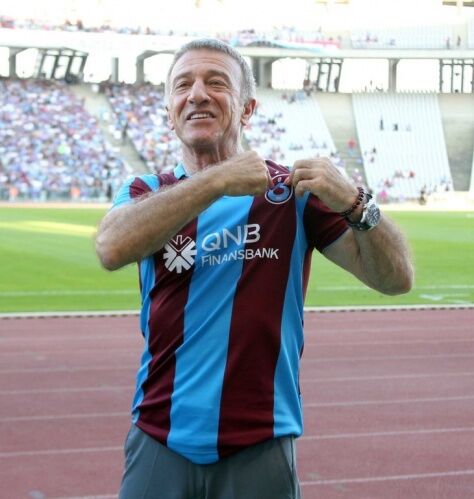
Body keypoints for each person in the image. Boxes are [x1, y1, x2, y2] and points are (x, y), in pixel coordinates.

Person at [96, 38, 413, 499]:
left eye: (216, 82)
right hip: (159, 437)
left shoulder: (291, 194)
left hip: (261, 442)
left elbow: (396, 279)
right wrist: (218, 180)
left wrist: (356, 202)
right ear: (169, 112)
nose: (197, 94)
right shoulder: (146, 191)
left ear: (247, 109)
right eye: (182, 85)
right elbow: (110, 247)